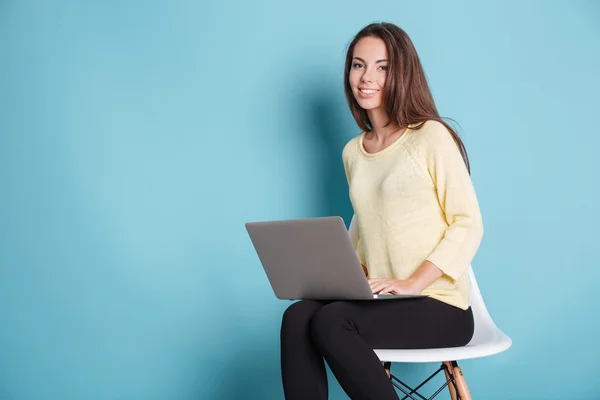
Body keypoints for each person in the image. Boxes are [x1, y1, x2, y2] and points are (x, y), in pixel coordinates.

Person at [280, 22, 484, 400]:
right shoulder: (353, 153)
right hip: (384, 302)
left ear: (401, 73)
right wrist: (337, 276)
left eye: (382, 67)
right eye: (358, 65)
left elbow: (468, 224)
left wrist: (414, 282)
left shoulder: (430, 136)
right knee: (297, 316)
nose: (367, 77)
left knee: (332, 322)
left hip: (441, 306)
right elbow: (365, 229)